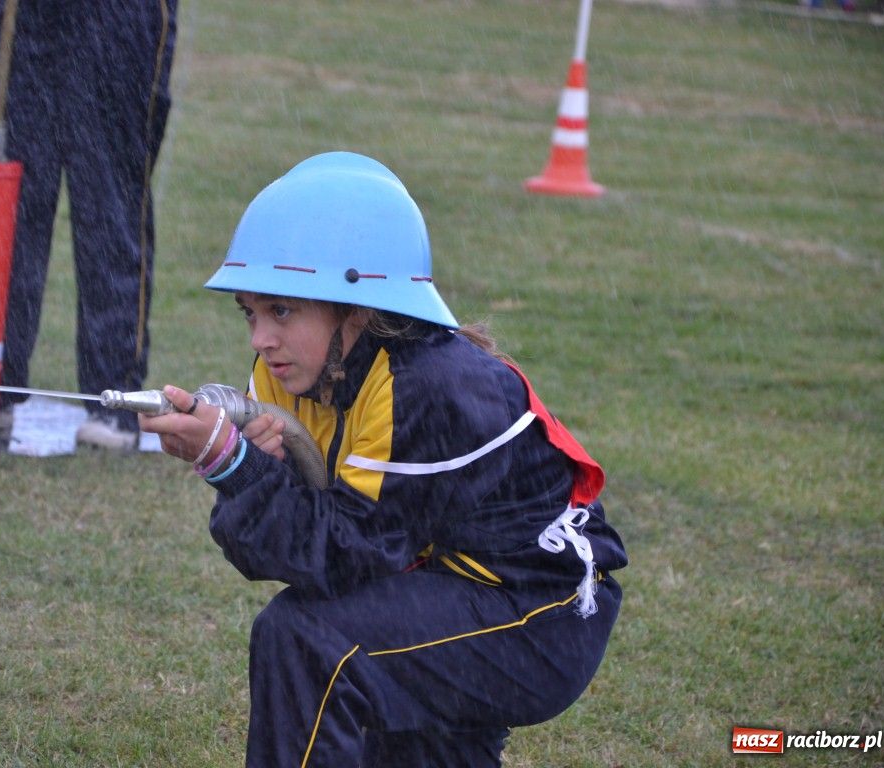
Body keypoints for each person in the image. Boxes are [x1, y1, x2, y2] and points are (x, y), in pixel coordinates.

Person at [139, 151, 628, 767]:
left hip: (540, 613)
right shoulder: (285, 375)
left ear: (358, 308)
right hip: (439, 584)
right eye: (251, 313)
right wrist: (237, 471)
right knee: (356, 675)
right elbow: (279, 553)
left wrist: (236, 467)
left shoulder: (428, 385)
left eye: (281, 310)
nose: (260, 338)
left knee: (311, 642)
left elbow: (347, 555)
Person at [0, 0, 178, 453]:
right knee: (12, 195)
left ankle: (114, 401)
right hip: (28, 15)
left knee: (109, 197)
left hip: (120, 14)